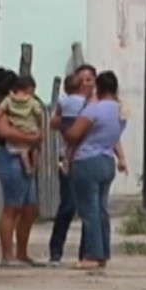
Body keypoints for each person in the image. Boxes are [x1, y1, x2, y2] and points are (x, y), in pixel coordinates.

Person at [63, 70, 128, 270]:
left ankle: (91, 254)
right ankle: (103, 253)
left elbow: (74, 134)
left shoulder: (94, 109)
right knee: (101, 210)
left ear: (98, 87)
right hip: (107, 160)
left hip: (87, 161)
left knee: (89, 211)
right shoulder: (121, 111)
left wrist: (64, 127)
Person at [0, 68, 45, 267]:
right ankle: (7, 255)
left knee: (29, 208)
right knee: (12, 208)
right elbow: (5, 132)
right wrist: (33, 138)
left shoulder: (20, 105)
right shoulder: (1, 107)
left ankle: (22, 253)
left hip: (24, 158)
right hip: (11, 159)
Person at [47, 72, 88, 266]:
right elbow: (55, 122)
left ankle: (84, 252)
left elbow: (56, 121)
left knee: (79, 208)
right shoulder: (85, 103)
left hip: (79, 158)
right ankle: (57, 251)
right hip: (71, 157)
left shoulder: (64, 102)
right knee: (69, 206)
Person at [1, 73, 42, 174]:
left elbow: (1, 109)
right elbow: (38, 113)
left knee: (23, 151)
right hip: (30, 130)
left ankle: (28, 168)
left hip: (17, 128)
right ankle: (34, 166)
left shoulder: (9, 100)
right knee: (34, 148)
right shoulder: (32, 101)